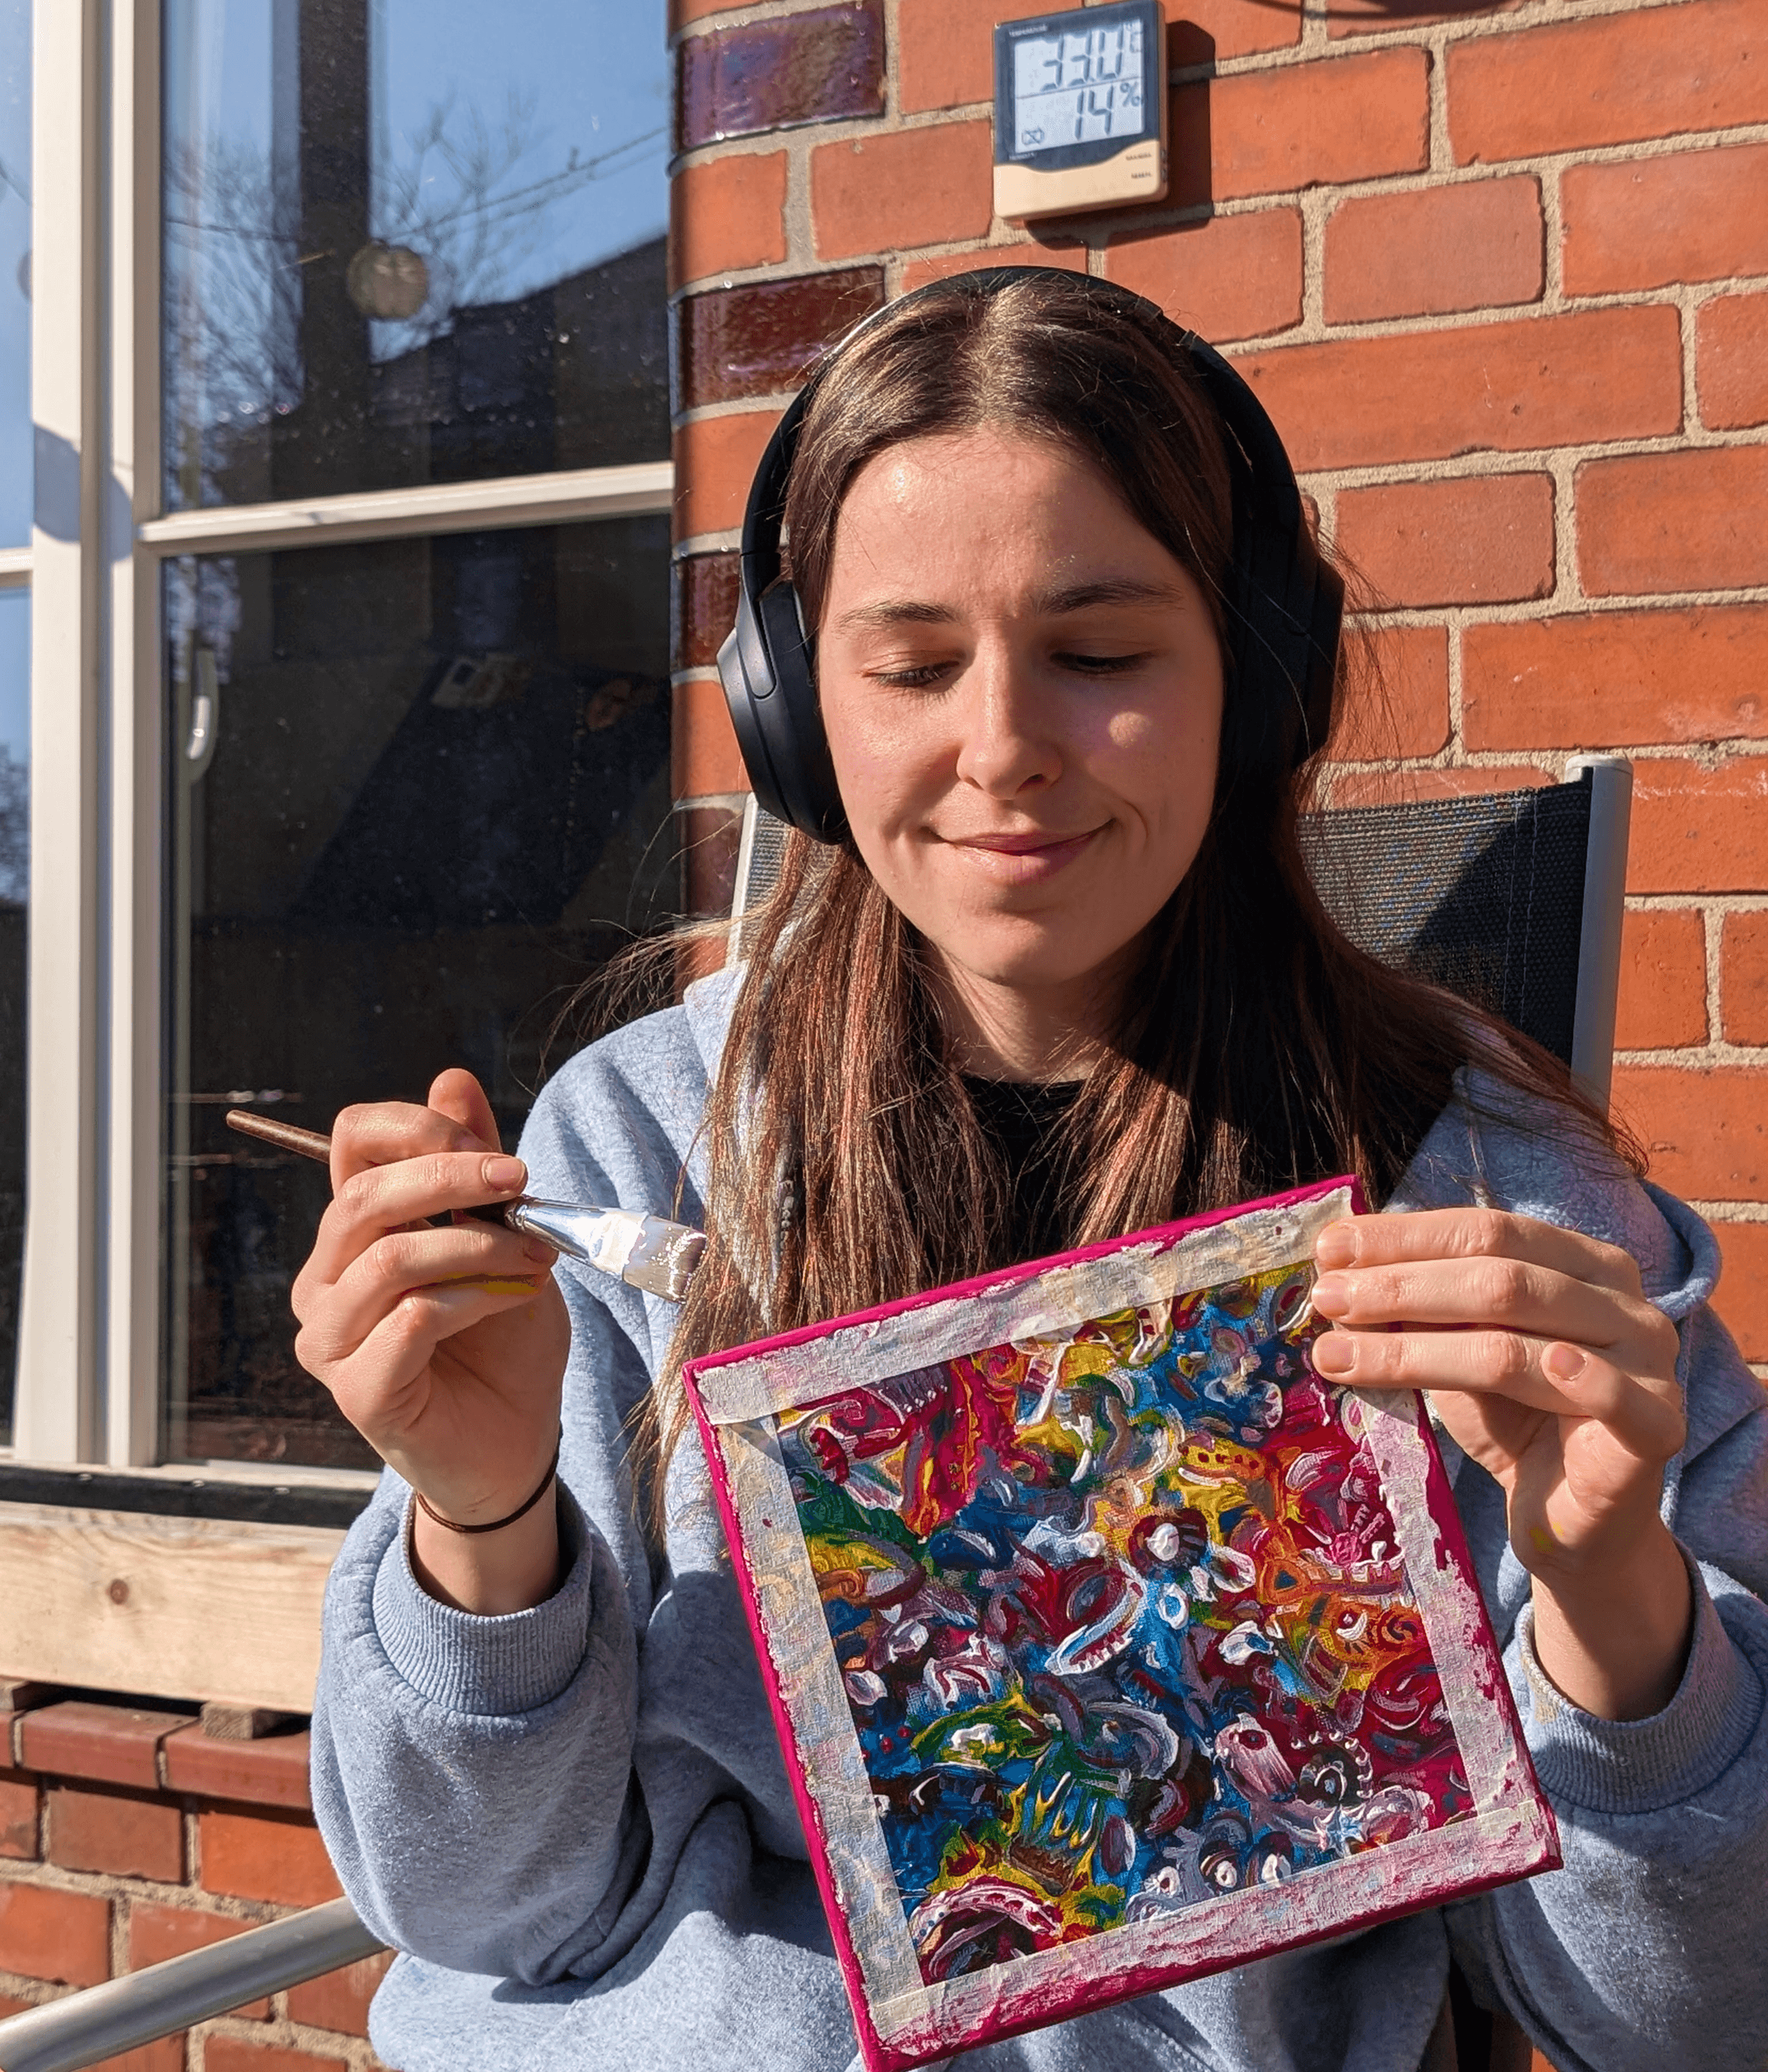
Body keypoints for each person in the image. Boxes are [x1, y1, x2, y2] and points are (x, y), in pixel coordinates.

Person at [296, 272, 1768, 2072]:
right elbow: (482, 1916)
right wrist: (479, 1520)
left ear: (1258, 677)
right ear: (793, 712)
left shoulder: (1491, 1209)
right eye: (913, 666)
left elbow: (1701, 2020)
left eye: (1102, 652)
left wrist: (1621, 1615)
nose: (1001, 748)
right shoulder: (635, 1150)